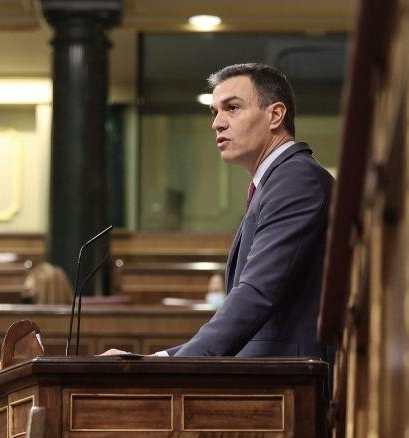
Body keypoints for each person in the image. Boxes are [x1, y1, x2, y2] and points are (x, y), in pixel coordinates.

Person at [105, 63, 333, 359]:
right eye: (215, 112)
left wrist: (173, 366)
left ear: (275, 115)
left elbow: (256, 294)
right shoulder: (278, 180)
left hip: (288, 384)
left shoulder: (295, 179)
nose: (217, 123)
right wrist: (160, 359)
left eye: (232, 108)